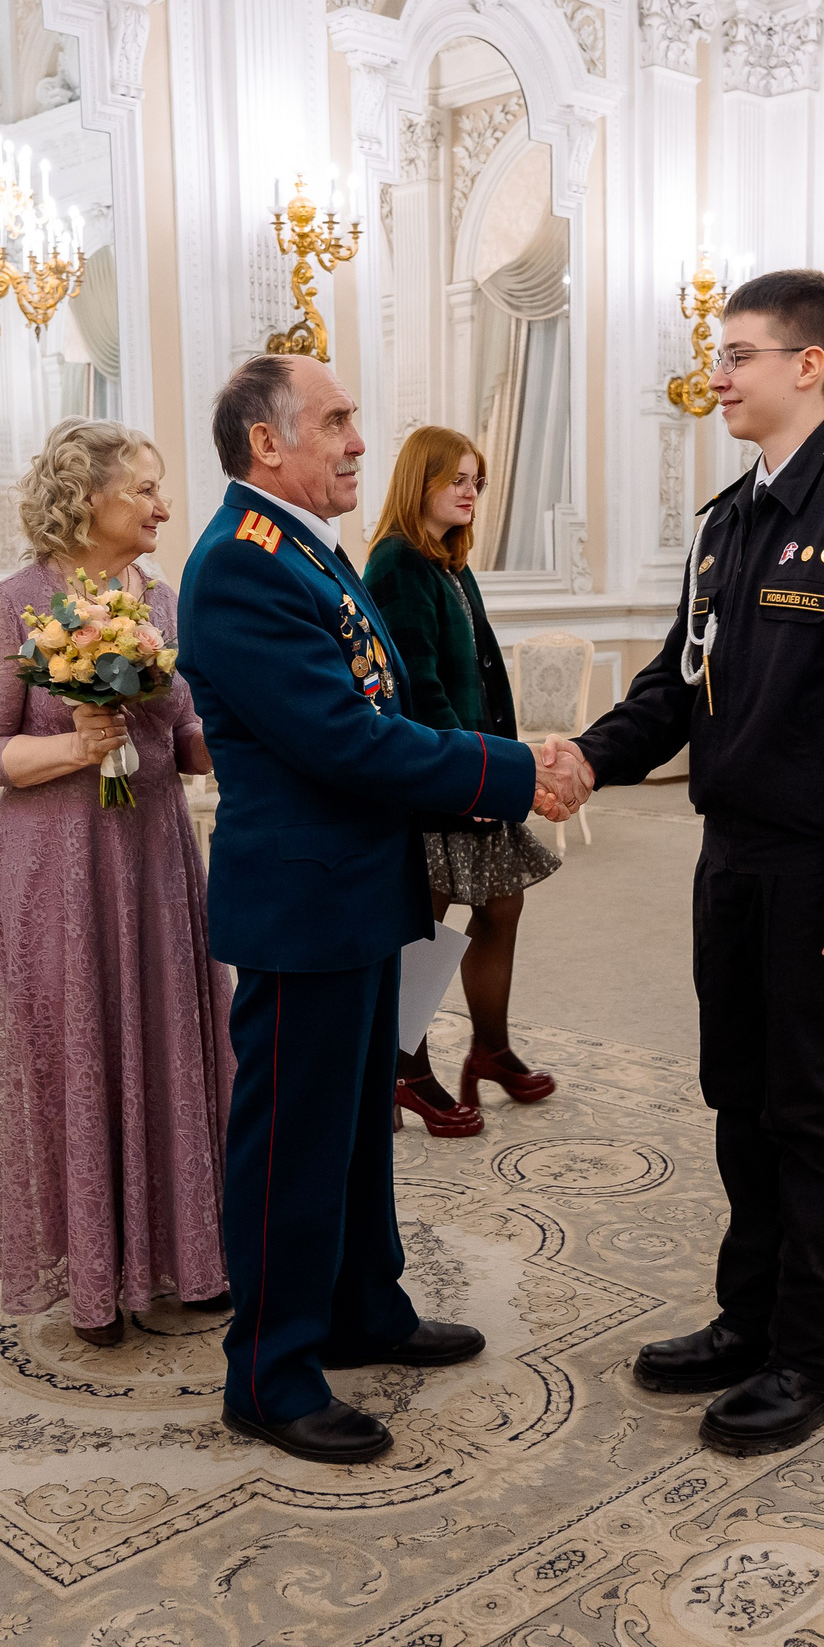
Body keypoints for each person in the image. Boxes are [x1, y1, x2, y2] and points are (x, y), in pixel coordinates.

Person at [540, 269, 824, 1457]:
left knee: (811, 1114)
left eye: (739, 354)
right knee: (737, 1099)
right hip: (733, 861)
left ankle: (816, 1360)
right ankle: (748, 1319)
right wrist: (585, 759)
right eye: (720, 355)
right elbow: (677, 682)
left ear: (808, 365)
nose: (716, 374)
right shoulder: (727, 520)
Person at [178, 354, 568, 1467]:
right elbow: (344, 738)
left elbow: (378, 702)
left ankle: (361, 1309)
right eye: (338, 421)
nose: (359, 440)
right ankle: (268, 1371)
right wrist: (511, 768)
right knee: (291, 1145)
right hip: (305, 902)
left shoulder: (306, 549)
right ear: (266, 442)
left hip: (357, 888)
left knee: (356, 1129)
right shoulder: (244, 566)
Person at [0, 417, 232, 1348]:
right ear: (87, 501)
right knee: (77, 1052)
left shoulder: (157, 599)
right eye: (145, 490)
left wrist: (231, 724)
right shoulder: (12, 603)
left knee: (168, 1040)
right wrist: (76, 746)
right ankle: (95, 1277)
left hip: (153, 853)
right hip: (58, 867)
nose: (164, 506)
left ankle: (188, 1257)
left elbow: (189, 737)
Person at [362, 426, 561, 1138]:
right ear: (422, 483)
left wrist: (502, 761)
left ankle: (490, 1047)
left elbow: (480, 671)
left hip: (479, 762)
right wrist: (471, 775)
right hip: (442, 773)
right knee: (425, 923)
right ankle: (403, 1070)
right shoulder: (396, 562)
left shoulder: (450, 561)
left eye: (477, 480)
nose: (472, 492)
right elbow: (417, 686)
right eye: (458, 480)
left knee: (501, 907)